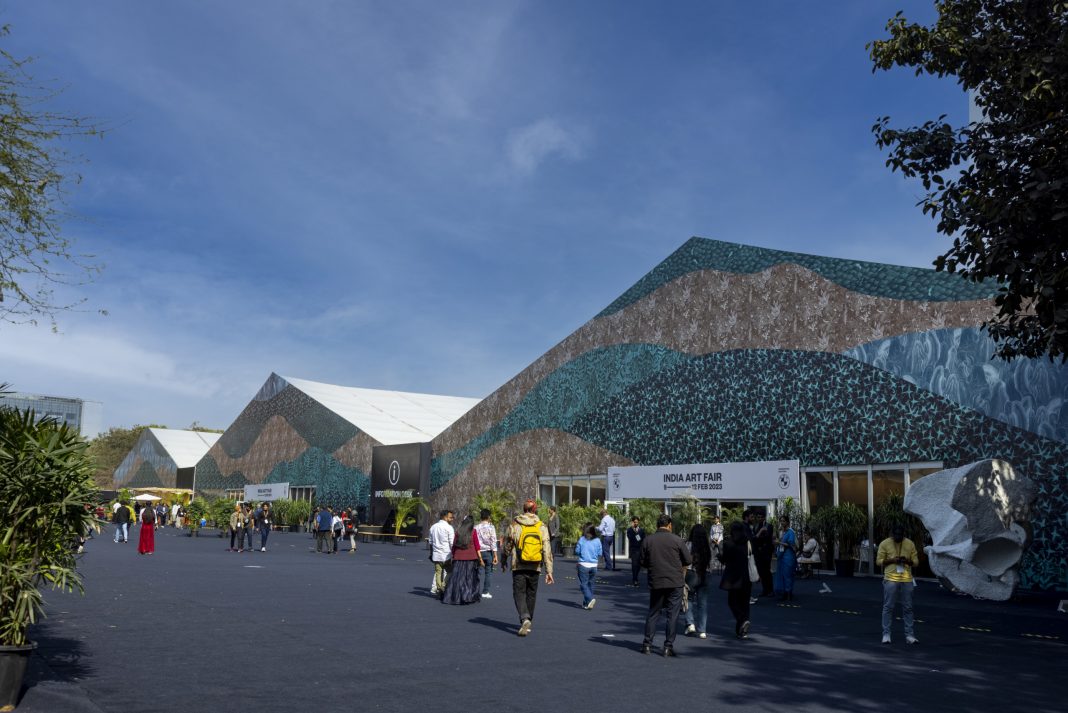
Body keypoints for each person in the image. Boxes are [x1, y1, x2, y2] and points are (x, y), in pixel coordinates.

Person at [639, 514, 691, 656]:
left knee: (653, 613)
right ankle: (668, 647)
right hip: (675, 581)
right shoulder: (677, 540)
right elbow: (688, 560)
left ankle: (647, 644)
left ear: (657, 525)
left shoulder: (648, 540)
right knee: (672, 614)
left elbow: (642, 561)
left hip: (656, 580)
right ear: (669, 525)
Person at [502, 499, 554, 636]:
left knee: (518, 592)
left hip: (518, 564)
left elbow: (508, 544)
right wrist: (549, 571)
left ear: (523, 509)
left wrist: (503, 560)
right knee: (531, 593)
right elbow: (547, 549)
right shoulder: (541, 526)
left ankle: (524, 618)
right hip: (535, 566)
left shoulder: (515, 524)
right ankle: (528, 619)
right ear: (534, 510)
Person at [876, 524, 920, 645]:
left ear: (903, 534)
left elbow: (916, 562)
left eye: (900, 535)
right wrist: (892, 560)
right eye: (896, 535)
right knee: (888, 607)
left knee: (908, 608)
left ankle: (909, 635)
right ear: (892, 534)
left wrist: (907, 561)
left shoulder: (910, 543)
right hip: (890, 578)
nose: (898, 537)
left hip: (907, 579)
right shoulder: (884, 543)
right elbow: (878, 561)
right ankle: (886, 634)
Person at [718, 521, 752, 639]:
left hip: (733, 578)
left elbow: (724, 559)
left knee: (732, 602)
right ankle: (742, 630)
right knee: (745, 603)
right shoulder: (747, 542)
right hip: (746, 576)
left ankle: (742, 620)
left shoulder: (729, 543)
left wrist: (719, 556)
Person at [442, 515, 482, 605]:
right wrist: (480, 558)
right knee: (469, 578)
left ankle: (455, 596)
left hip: (458, 557)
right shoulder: (473, 531)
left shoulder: (458, 531)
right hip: (471, 558)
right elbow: (477, 546)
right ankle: (467, 596)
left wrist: (453, 555)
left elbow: (454, 545)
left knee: (457, 578)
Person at [684, 522, 712, 639]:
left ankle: (690, 623)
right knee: (702, 603)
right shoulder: (707, 546)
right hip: (705, 574)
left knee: (688, 598)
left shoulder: (688, 544)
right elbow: (712, 561)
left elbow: (684, 560)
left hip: (691, 573)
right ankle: (702, 630)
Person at [575, 524, 602, 609]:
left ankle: (589, 599)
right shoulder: (597, 540)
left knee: (583, 584)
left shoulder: (582, 539)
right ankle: (586, 603)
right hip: (594, 565)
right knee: (590, 584)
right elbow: (600, 553)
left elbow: (577, 551)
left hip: (583, 564)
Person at [429, 510, 455, 597]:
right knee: (450, 571)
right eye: (451, 517)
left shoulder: (433, 527)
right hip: (446, 555)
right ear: (445, 517)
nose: (452, 519)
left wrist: (431, 553)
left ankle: (439, 588)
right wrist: (454, 554)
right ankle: (443, 586)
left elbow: (430, 542)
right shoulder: (449, 528)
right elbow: (452, 543)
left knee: (438, 573)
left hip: (436, 555)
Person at [474, 509, 498, 598]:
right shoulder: (491, 527)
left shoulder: (476, 527)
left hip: (478, 552)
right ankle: (485, 592)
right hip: (488, 552)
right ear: (488, 517)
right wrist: (495, 555)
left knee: (477, 572)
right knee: (488, 572)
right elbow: (493, 541)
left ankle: (474, 590)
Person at [773, 516, 798, 600]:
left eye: (783, 521)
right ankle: (784, 592)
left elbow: (791, 544)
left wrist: (779, 542)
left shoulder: (791, 532)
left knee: (788, 574)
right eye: (781, 521)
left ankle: (789, 592)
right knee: (782, 575)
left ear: (787, 522)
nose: (782, 523)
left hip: (788, 556)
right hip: (781, 555)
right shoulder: (782, 532)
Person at [753, 511, 774, 597]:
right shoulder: (755, 526)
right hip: (758, 552)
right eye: (758, 517)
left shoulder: (769, 526)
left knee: (767, 571)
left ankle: (770, 590)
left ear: (764, 517)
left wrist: (758, 537)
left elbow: (767, 537)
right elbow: (754, 538)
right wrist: (759, 536)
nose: (759, 519)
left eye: (761, 517)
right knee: (761, 571)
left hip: (766, 551)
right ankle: (765, 589)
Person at [625, 516, 646, 586]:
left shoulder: (641, 530)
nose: (636, 523)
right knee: (634, 564)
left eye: (637, 522)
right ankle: (635, 579)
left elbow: (642, 539)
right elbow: (630, 537)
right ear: (632, 522)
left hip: (640, 549)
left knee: (639, 565)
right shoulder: (629, 530)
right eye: (634, 522)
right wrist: (634, 531)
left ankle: (636, 576)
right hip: (633, 549)